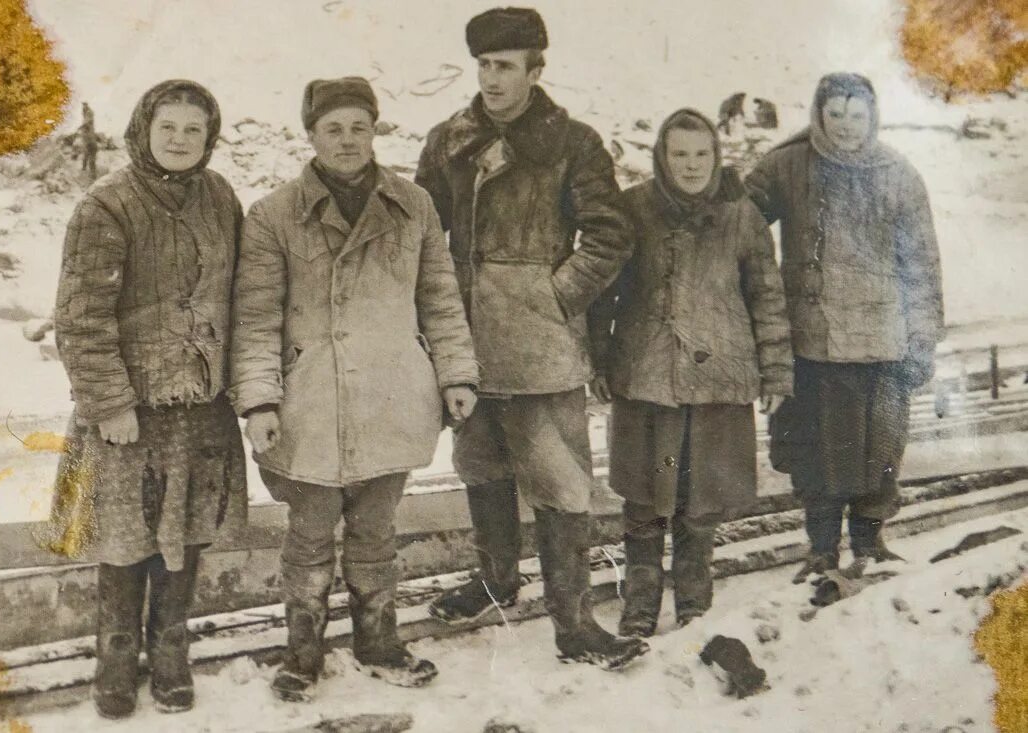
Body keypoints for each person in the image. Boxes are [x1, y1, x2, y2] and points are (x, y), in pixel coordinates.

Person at [229, 77, 479, 702]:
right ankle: (303, 650)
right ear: (311, 135)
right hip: (309, 402)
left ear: (375, 131)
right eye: (332, 128)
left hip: (393, 396)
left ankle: (378, 639)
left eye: (357, 127)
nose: (346, 139)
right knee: (309, 534)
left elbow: (440, 300)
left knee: (376, 530)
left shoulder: (414, 205)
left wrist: (456, 375)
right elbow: (256, 317)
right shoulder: (274, 213)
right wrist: (259, 399)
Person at [415, 7, 647, 669]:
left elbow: (609, 236)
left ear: (535, 70)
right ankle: (494, 582)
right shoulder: (446, 141)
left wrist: (552, 295)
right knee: (480, 464)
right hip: (465, 339)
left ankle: (575, 623)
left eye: (505, 67)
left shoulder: (574, 142)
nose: (491, 79)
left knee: (561, 483)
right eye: (484, 66)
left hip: (539, 344)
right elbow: (422, 233)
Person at [50, 79, 248, 719]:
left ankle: (169, 652)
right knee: (123, 537)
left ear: (209, 136)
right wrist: (110, 405)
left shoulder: (220, 197)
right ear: (144, 129)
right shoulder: (106, 205)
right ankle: (114, 658)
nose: (181, 141)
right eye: (169, 128)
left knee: (187, 534)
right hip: (129, 414)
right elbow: (82, 316)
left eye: (194, 130)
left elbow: (239, 297)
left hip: (202, 407)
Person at [588, 109, 793, 636]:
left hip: (717, 379)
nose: (692, 165)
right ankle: (639, 605)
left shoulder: (741, 215)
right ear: (662, 156)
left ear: (717, 155)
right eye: (680, 154)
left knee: (701, 500)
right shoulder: (633, 209)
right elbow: (604, 294)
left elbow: (766, 296)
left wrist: (776, 373)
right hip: (648, 377)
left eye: (702, 153)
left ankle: (694, 604)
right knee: (645, 497)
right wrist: (600, 359)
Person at [744, 72, 944, 581]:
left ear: (873, 116)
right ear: (818, 114)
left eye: (857, 115)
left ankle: (870, 543)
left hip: (884, 344)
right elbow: (737, 225)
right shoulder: (788, 165)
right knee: (816, 454)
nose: (847, 126)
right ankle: (821, 552)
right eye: (835, 114)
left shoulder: (899, 174)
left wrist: (922, 339)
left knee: (879, 452)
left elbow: (922, 263)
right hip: (812, 343)